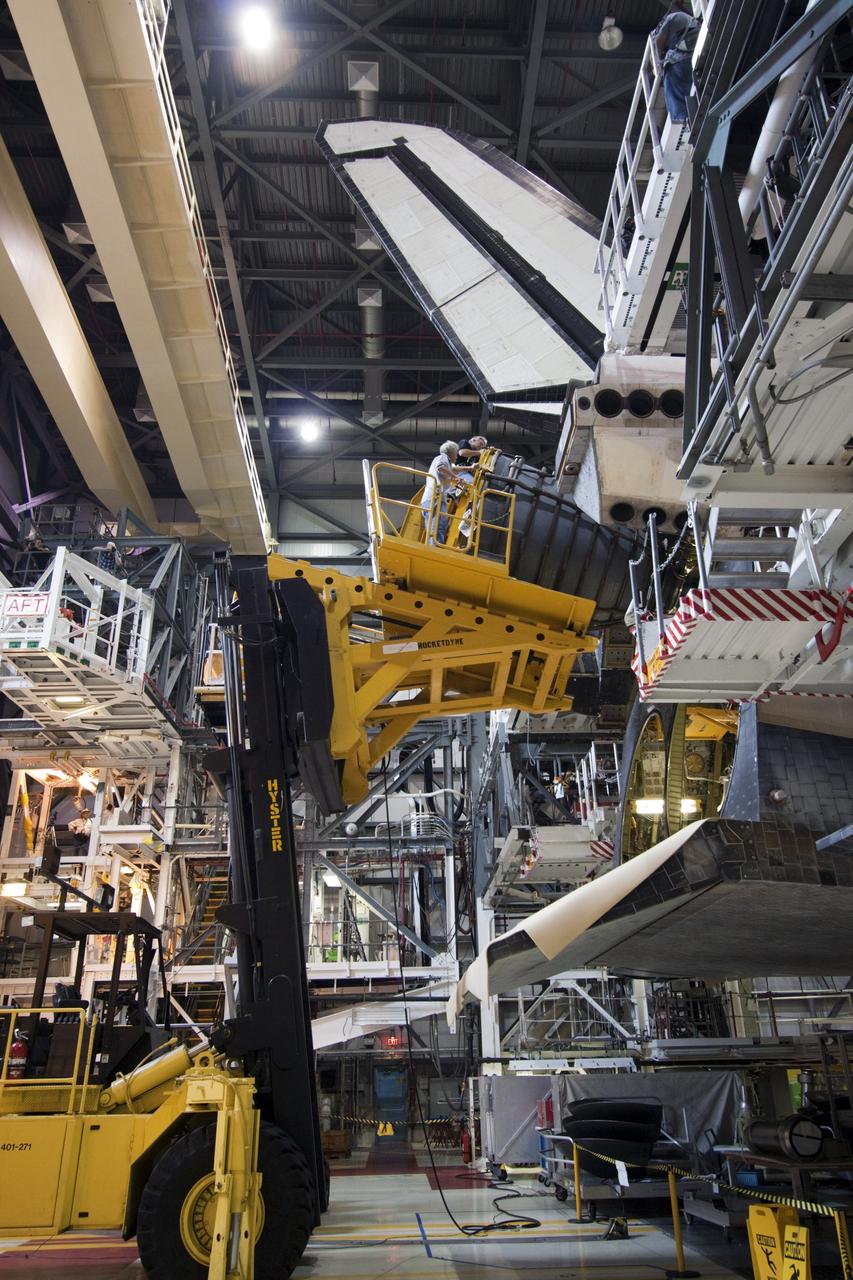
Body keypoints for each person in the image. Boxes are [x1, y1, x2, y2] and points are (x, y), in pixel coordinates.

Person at [654, 3, 700, 124]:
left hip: (680, 60)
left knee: (671, 88)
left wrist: (658, 63)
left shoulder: (671, 18)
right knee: (692, 90)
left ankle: (681, 119)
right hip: (694, 59)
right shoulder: (689, 20)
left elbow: (658, 41)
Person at [421, 440, 459, 545]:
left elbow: (454, 469)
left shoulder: (445, 462)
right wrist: (456, 478)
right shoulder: (443, 458)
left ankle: (433, 547)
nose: (457, 455)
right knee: (438, 526)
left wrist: (470, 468)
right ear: (451, 452)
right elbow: (441, 468)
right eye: (456, 452)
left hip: (431, 499)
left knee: (435, 526)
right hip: (435, 498)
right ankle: (434, 549)